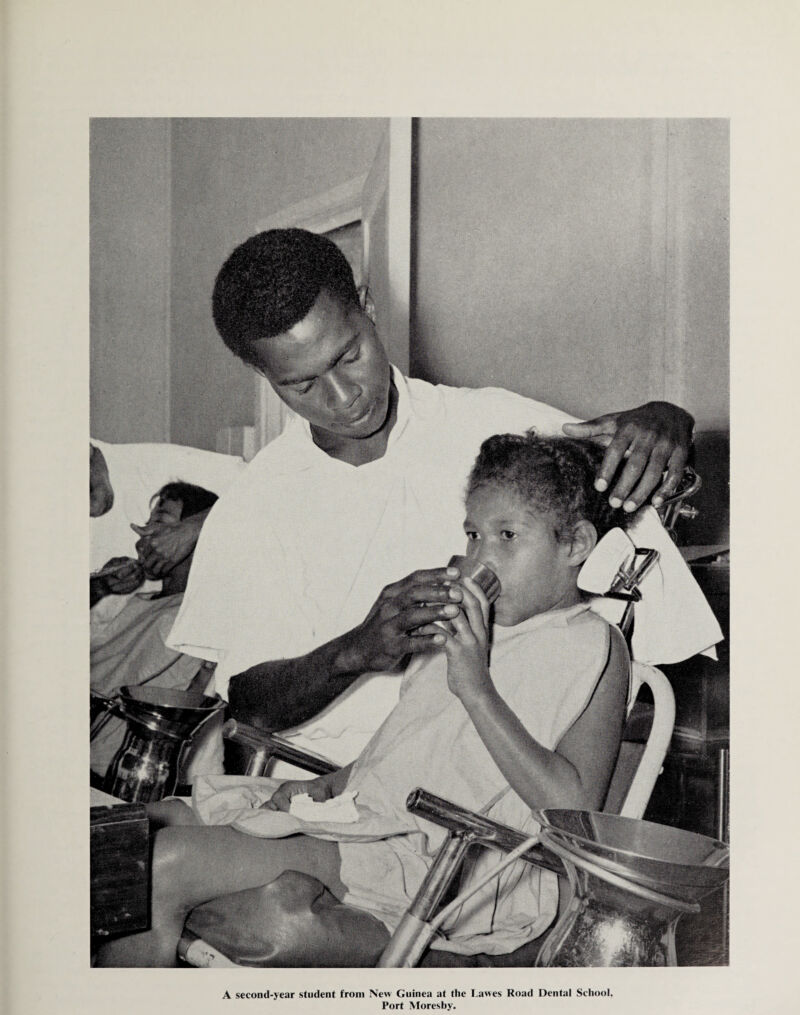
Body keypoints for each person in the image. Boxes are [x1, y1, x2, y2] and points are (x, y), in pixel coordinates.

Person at [168, 228, 711, 771]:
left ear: (367, 305)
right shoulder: (254, 507)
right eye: (303, 386)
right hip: (320, 784)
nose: (344, 397)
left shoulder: (497, 426)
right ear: (262, 374)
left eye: (349, 356)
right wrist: (353, 652)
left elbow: (633, 497)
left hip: (489, 787)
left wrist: (666, 424)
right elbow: (250, 703)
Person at [96, 434, 632, 967]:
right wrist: (322, 785)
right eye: (472, 535)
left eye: (506, 535)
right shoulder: (465, 628)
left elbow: (572, 811)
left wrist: (474, 687)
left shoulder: (591, 645)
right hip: (375, 823)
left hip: (454, 866)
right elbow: (410, 749)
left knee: (160, 864)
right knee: (139, 824)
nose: (479, 558)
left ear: (576, 545)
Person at [90, 481, 219, 778]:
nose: (141, 537)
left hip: (106, 766)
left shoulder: (190, 615)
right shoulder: (134, 599)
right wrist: (100, 587)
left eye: (159, 522)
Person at [90, 439, 243, 640]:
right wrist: (100, 587)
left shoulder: (158, 463)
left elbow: (269, 487)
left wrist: (193, 528)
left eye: (159, 519)